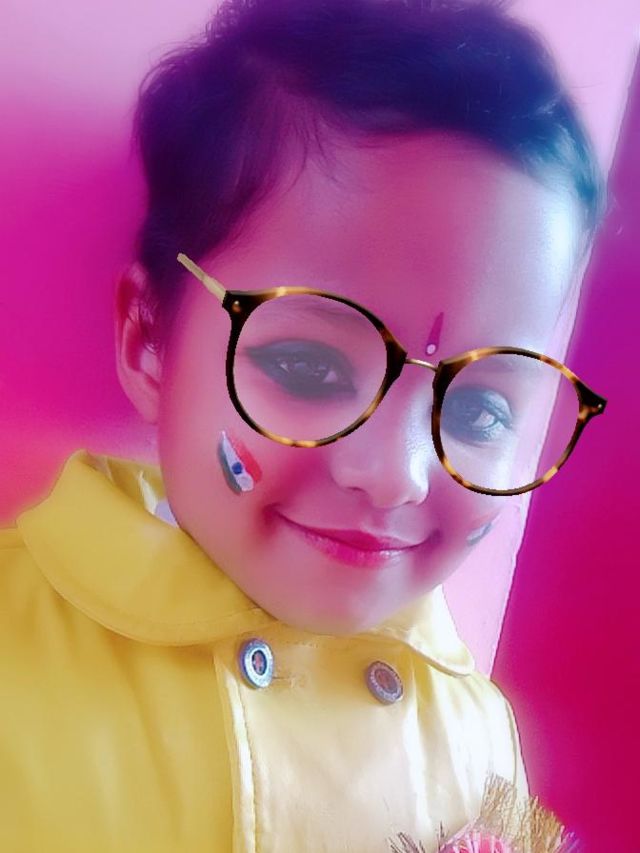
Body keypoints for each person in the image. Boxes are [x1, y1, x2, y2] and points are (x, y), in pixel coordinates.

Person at [0, 0, 608, 850]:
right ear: (150, 339)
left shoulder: (476, 732)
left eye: (477, 408)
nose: (396, 474)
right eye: (310, 368)